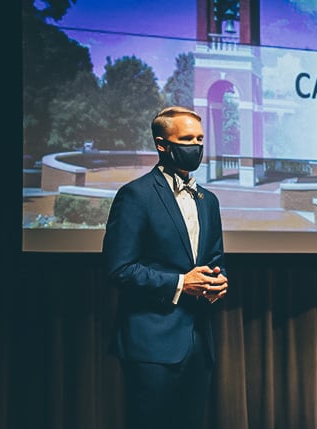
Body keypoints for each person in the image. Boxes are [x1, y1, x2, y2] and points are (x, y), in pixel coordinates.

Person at [102, 106, 229, 429]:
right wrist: (179, 284)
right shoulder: (135, 195)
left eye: (200, 139)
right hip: (150, 343)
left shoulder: (208, 200)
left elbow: (215, 260)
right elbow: (119, 268)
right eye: (187, 139)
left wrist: (218, 283)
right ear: (162, 144)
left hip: (199, 343)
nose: (196, 147)